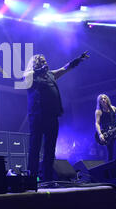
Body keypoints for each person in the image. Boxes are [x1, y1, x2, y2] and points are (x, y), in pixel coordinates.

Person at [23, 52, 89, 181]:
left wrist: (77, 60)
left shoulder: (50, 74)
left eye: (45, 60)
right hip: (37, 116)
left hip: (52, 116)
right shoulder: (30, 75)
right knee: (35, 147)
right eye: (41, 61)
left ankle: (47, 179)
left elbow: (64, 69)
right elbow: (26, 76)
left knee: (50, 149)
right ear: (36, 63)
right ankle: (31, 179)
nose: (45, 62)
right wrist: (38, 70)